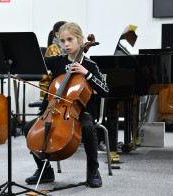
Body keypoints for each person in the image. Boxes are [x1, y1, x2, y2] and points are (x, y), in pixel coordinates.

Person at [23, 22, 109, 188]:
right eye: (62, 41)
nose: (66, 44)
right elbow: (35, 62)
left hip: (81, 111)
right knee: (28, 129)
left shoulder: (90, 65)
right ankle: (45, 169)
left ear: (80, 39)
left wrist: (87, 74)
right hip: (54, 109)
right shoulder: (57, 61)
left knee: (88, 128)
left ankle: (93, 170)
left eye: (70, 39)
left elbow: (105, 90)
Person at [39, 21, 67, 100]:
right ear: (57, 35)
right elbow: (59, 72)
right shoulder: (53, 49)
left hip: (60, 87)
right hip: (51, 90)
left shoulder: (65, 49)